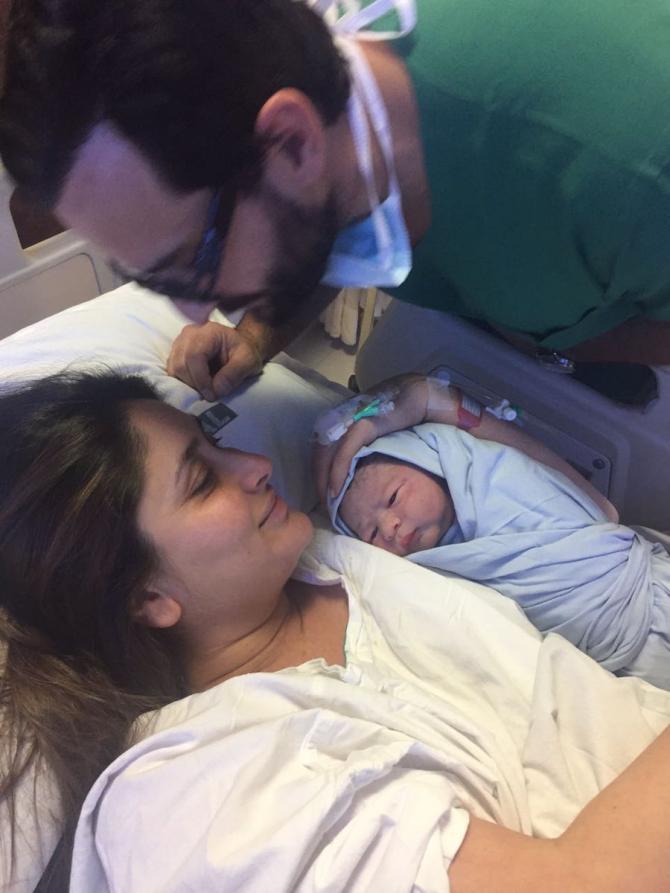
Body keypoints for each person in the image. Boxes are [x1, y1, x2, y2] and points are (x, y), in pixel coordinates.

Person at [2, 370, 670, 892]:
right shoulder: (203, 797)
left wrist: (427, 398)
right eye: (203, 481)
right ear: (147, 597)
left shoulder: (326, 552)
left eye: (218, 442)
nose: (256, 464)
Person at [4, 2, 670, 404]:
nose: (192, 310)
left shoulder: (628, 166)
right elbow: (311, 218)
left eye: (191, 263)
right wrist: (257, 334)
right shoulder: (296, 81)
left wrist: (562, 345)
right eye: (150, 277)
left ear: (293, 142)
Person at [324, 381, 670, 689]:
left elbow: (430, 395)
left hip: (651, 589)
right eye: (370, 532)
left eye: (393, 497)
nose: (389, 526)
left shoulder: (495, 472)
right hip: (623, 664)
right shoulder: (432, 577)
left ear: (435, 461)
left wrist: (341, 426)